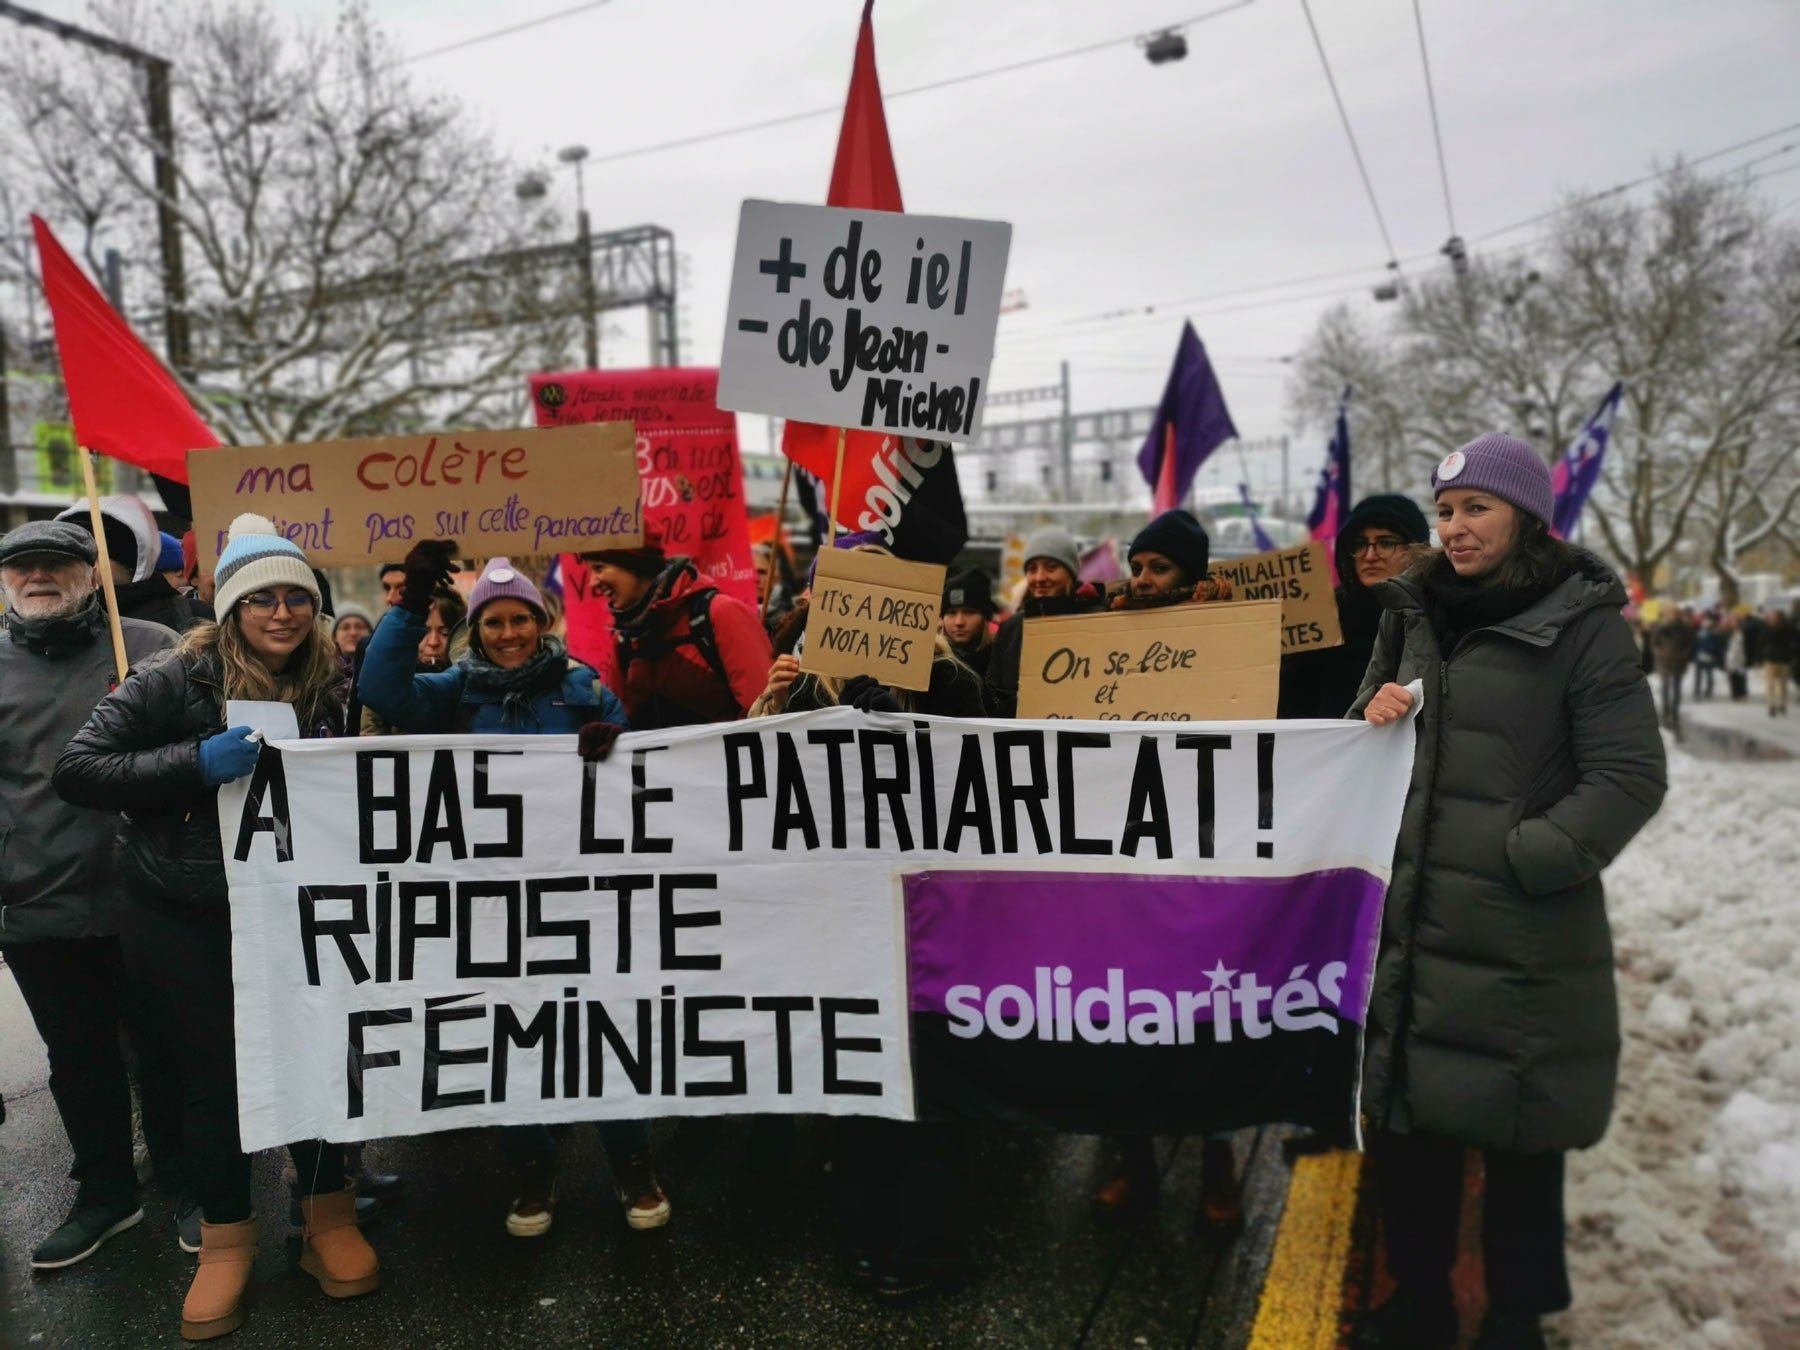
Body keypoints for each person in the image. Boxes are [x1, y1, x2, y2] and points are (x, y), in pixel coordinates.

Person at [1352, 434, 1665, 1350]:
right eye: (1444, 511)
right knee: (1413, 1124)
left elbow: (1628, 775)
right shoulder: (1411, 612)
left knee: (1523, 1133)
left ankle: (1517, 1314)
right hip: (1413, 922)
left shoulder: (1586, 624)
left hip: (1523, 933)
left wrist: (1528, 856)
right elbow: (1364, 726)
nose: (1453, 527)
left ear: (1526, 515)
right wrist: (1370, 718)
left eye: (1475, 508)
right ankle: (1420, 1299)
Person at [55, 514, 379, 1341]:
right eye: (262, 599)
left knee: (316, 1057)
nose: (282, 613)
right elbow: (80, 769)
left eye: (297, 598)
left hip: (296, 905)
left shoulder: (333, 683)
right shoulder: (173, 677)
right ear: (232, 607)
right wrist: (196, 764)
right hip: (186, 912)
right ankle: (227, 1239)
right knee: (215, 1076)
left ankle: (325, 1218)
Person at [356, 544, 669, 1240]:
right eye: (492, 622)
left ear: (541, 619)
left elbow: (639, 767)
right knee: (508, 1034)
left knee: (601, 1026)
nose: (507, 634)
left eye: (519, 620)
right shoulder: (449, 694)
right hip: (490, 902)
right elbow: (381, 690)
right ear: (476, 629)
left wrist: (614, 742)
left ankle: (633, 1163)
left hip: (578, 893)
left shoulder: (583, 688)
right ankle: (531, 1167)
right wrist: (409, 606)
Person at [749, 543, 982, 1298]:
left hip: (926, 910)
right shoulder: (802, 677)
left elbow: (976, 785)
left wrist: (904, 725)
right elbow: (752, 794)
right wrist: (772, 708)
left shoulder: (950, 679)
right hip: (836, 910)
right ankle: (866, 1233)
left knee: (926, 1083)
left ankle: (933, 1243)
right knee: (859, 1080)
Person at [0, 520, 187, 1270]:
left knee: (168, 1050)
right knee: (77, 1061)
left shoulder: (148, 646)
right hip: (35, 907)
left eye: (55, 564)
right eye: (22, 568)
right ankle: (107, 1194)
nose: (38, 577)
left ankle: (190, 1183)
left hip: (147, 896)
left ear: (92, 576)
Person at [1078, 510, 1245, 1230]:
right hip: (1118, 863)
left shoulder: (1231, 644)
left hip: (1202, 859)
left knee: (1206, 1027)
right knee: (1121, 1021)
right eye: (1138, 567)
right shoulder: (1092, 644)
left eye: (1160, 569)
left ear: (1192, 578)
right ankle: (1135, 1164)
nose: (1142, 580)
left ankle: (1218, 1171)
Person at [581, 525, 772, 731]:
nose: (592, 583)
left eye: (599, 568)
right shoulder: (626, 640)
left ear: (635, 565)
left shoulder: (720, 614)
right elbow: (623, 721)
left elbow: (765, 714)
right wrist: (609, 735)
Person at [1278, 495, 1431, 718]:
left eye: (1386, 543)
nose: (1369, 556)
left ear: (1415, 550)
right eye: (1359, 545)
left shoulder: (1438, 613)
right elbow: (1290, 701)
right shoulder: (1323, 615)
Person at [983, 526, 1105, 718]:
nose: (1039, 578)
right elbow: (993, 694)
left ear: (1071, 573)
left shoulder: (1098, 622)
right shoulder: (1010, 629)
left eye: (1051, 567)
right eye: (1032, 569)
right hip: (1024, 741)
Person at [56, 495, 213, 633]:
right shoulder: (54, 622)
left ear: (132, 563)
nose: (83, 567)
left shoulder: (192, 616)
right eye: (69, 560)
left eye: (96, 556)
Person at [939, 565, 998, 678]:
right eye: (951, 613)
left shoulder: (1002, 662)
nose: (959, 622)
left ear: (985, 617)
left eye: (969, 612)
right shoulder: (930, 662)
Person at [1649, 608, 1695, 734]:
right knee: (1665, 687)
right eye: (1669, 614)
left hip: (1678, 662)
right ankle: (1665, 713)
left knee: (1676, 688)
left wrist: (1684, 654)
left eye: (1674, 614)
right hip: (1664, 662)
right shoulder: (1661, 628)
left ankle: (1674, 714)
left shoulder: (1684, 628)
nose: (1672, 616)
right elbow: (1654, 643)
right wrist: (1659, 653)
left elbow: (1689, 643)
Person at [1761, 609, 1796, 717]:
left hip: (1782, 659)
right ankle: (1773, 704)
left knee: (1782, 684)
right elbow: (1761, 643)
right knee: (1771, 684)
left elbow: (1796, 643)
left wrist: (1793, 655)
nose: (1773, 619)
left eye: (1774, 617)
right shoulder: (1768, 628)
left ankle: (1780, 704)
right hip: (1773, 659)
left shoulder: (1789, 629)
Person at [1692, 613, 1723, 701]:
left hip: (1707, 656)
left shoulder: (1712, 634)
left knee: (1707, 675)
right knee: (1701, 675)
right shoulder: (1700, 633)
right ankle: (1698, 692)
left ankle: (1706, 691)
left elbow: (1716, 646)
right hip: (1701, 656)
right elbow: (1695, 645)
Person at [1724, 615, 1750, 701]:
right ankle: (1734, 694)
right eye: (1732, 622)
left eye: (1735, 622)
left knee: (1741, 676)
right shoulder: (1728, 633)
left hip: (1740, 657)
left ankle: (1742, 694)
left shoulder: (1743, 632)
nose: (1733, 624)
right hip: (1730, 657)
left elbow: (1747, 645)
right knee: (1732, 676)